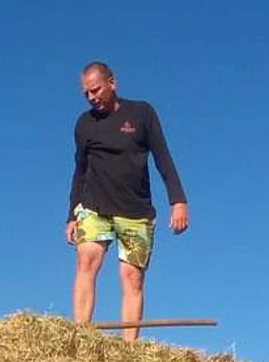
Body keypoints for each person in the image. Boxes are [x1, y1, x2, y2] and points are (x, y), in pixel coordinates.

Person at [66, 60, 189, 341]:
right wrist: (71, 215)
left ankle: (128, 349)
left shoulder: (142, 113)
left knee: (131, 277)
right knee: (87, 259)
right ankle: (80, 336)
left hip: (135, 211)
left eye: (95, 90)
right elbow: (80, 170)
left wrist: (177, 200)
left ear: (112, 82)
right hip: (94, 206)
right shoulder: (84, 124)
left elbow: (163, 157)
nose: (91, 97)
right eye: (85, 93)